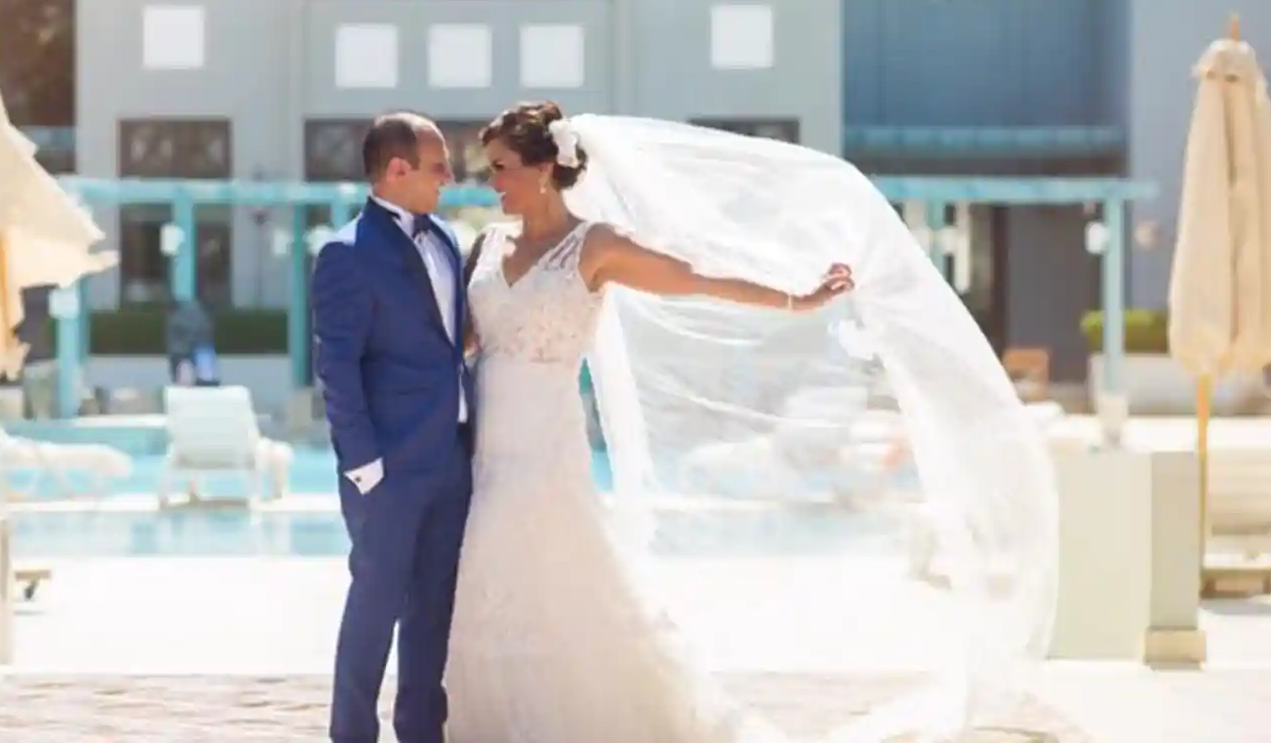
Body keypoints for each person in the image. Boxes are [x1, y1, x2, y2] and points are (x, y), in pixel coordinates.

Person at [442, 102, 1059, 742]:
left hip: (546, 448)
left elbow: (695, 278)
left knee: (539, 570)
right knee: (483, 576)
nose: (491, 183)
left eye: (502, 169)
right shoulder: (487, 245)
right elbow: (456, 341)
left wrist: (797, 297)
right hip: (483, 444)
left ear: (544, 169)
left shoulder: (594, 246)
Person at [311, 112, 472, 743]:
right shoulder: (346, 254)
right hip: (388, 470)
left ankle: (420, 734)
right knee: (375, 609)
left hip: (452, 460)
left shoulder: (450, 241)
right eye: (439, 166)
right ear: (398, 170)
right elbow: (337, 367)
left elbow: (449, 344)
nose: (451, 178)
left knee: (433, 609)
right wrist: (365, 465)